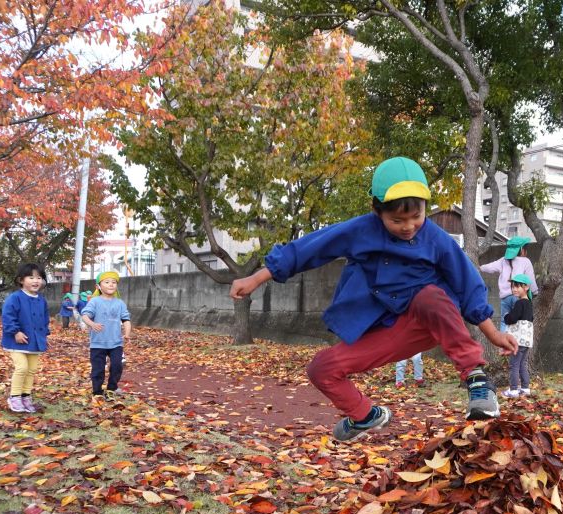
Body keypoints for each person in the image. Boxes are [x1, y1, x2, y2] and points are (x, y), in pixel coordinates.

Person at [230, 156, 518, 442]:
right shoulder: (360, 230)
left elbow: (467, 282)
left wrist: (492, 333)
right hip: (385, 328)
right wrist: (255, 278)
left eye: (416, 217)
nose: (408, 227)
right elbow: (310, 248)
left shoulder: (435, 238)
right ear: (376, 211)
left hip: (427, 318)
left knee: (430, 295)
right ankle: (364, 415)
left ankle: (478, 382)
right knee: (321, 369)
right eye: (397, 220)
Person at [1, 263, 50, 413]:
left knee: (32, 369)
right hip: (16, 341)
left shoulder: (41, 300)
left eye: (39, 277)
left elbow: (45, 318)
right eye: (31, 277)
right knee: (22, 367)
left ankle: (25, 397)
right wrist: (15, 332)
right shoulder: (15, 298)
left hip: (35, 341)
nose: (36, 281)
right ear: (21, 280)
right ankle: (14, 397)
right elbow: (8, 316)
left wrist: (44, 334)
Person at [80, 271, 132, 398]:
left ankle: (111, 388)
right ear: (98, 286)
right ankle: (97, 391)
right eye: (107, 282)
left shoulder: (119, 303)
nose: (111, 285)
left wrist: (127, 333)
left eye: (114, 282)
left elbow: (126, 319)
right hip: (98, 343)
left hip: (116, 343)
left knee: (117, 366)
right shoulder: (94, 301)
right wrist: (92, 324)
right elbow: (85, 315)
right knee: (98, 369)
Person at [480, 235, 539, 332]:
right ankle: (516, 342)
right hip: (519, 297)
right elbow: (530, 279)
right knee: (520, 320)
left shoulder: (503, 260)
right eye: (525, 248)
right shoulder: (525, 261)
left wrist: (479, 267)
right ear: (521, 250)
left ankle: (504, 343)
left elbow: (489, 267)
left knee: (504, 321)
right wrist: (534, 291)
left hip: (504, 298)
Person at [502, 274, 534, 398]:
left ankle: (513, 390)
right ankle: (525, 388)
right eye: (513, 287)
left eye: (517, 286)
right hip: (526, 341)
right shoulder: (529, 303)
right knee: (522, 364)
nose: (514, 289)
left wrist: (506, 316)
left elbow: (512, 318)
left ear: (526, 287)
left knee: (514, 364)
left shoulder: (520, 303)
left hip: (518, 340)